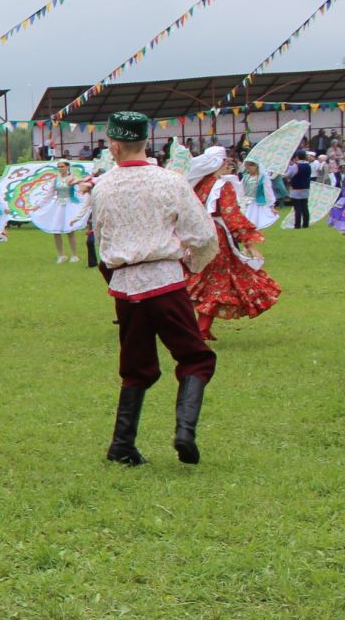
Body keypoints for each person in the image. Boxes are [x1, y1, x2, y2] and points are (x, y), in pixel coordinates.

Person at [88, 112, 219, 466]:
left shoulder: (102, 187)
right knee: (195, 357)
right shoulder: (171, 182)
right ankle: (184, 431)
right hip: (165, 280)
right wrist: (191, 264)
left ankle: (122, 444)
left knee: (136, 366)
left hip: (126, 286)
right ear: (145, 142)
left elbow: (102, 241)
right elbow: (205, 235)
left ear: (114, 145)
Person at [185, 148, 280, 340]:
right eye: (226, 161)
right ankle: (200, 329)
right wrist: (250, 245)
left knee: (203, 279)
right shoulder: (222, 185)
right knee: (217, 281)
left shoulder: (199, 184)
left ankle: (199, 326)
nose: (228, 165)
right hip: (217, 237)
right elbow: (231, 215)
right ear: (219, 163)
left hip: (198, 235)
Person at [33, 160, 90, 262]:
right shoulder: (55, 179)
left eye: (62, 166)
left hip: (69, 205)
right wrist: (38, 205)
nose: (60, 168)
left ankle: (74, 255)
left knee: (70, 231)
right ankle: (61, 255)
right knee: (56, 231)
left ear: (67, 167)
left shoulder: (71, 177)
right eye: (58, 166)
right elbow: (49, 194)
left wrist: (83, 180)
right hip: (58, 205)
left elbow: (74, 182)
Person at [236, 157, 280, 231]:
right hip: (247, 203)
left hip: (258, 203)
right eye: (247, 167)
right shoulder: (246, 178)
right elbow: (241, 191)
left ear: (256, 166)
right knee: (246, 221)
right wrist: (240, 202)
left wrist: (271, 205)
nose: (248, 169)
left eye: (250, 167)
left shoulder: (263, 178)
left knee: (256, 220)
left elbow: (268, 192)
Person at [284, 151, 313, 228]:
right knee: (305, 207)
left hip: (296, 188)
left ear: (297, 157)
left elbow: (288, 175)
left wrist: (288, 167)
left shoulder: (296, 166)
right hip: (306, 188)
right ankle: (306, 224)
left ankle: (297, 224)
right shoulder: (308, 165)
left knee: (297, 208)